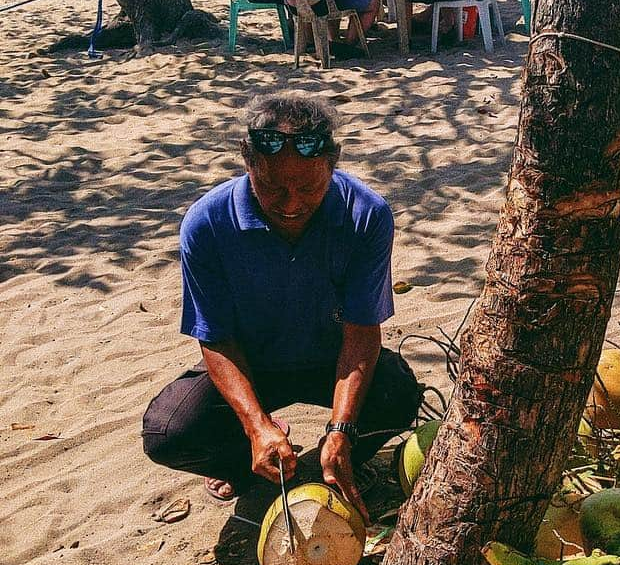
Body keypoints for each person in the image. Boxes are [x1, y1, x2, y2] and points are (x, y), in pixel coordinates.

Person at [142, 93, 422, 509]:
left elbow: (362, 332)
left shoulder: (366, 213)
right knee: (169, 432)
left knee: (398, 394)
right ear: (247, 163)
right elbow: (215, 339)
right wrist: (256, 424)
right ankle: (248, 460)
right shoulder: (206, 223)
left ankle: (335, 456)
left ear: (333, 164)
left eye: (309, 187)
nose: (292, 205)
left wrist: (342, 427)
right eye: (272, 187)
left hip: (332, 359)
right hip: (251, 364)